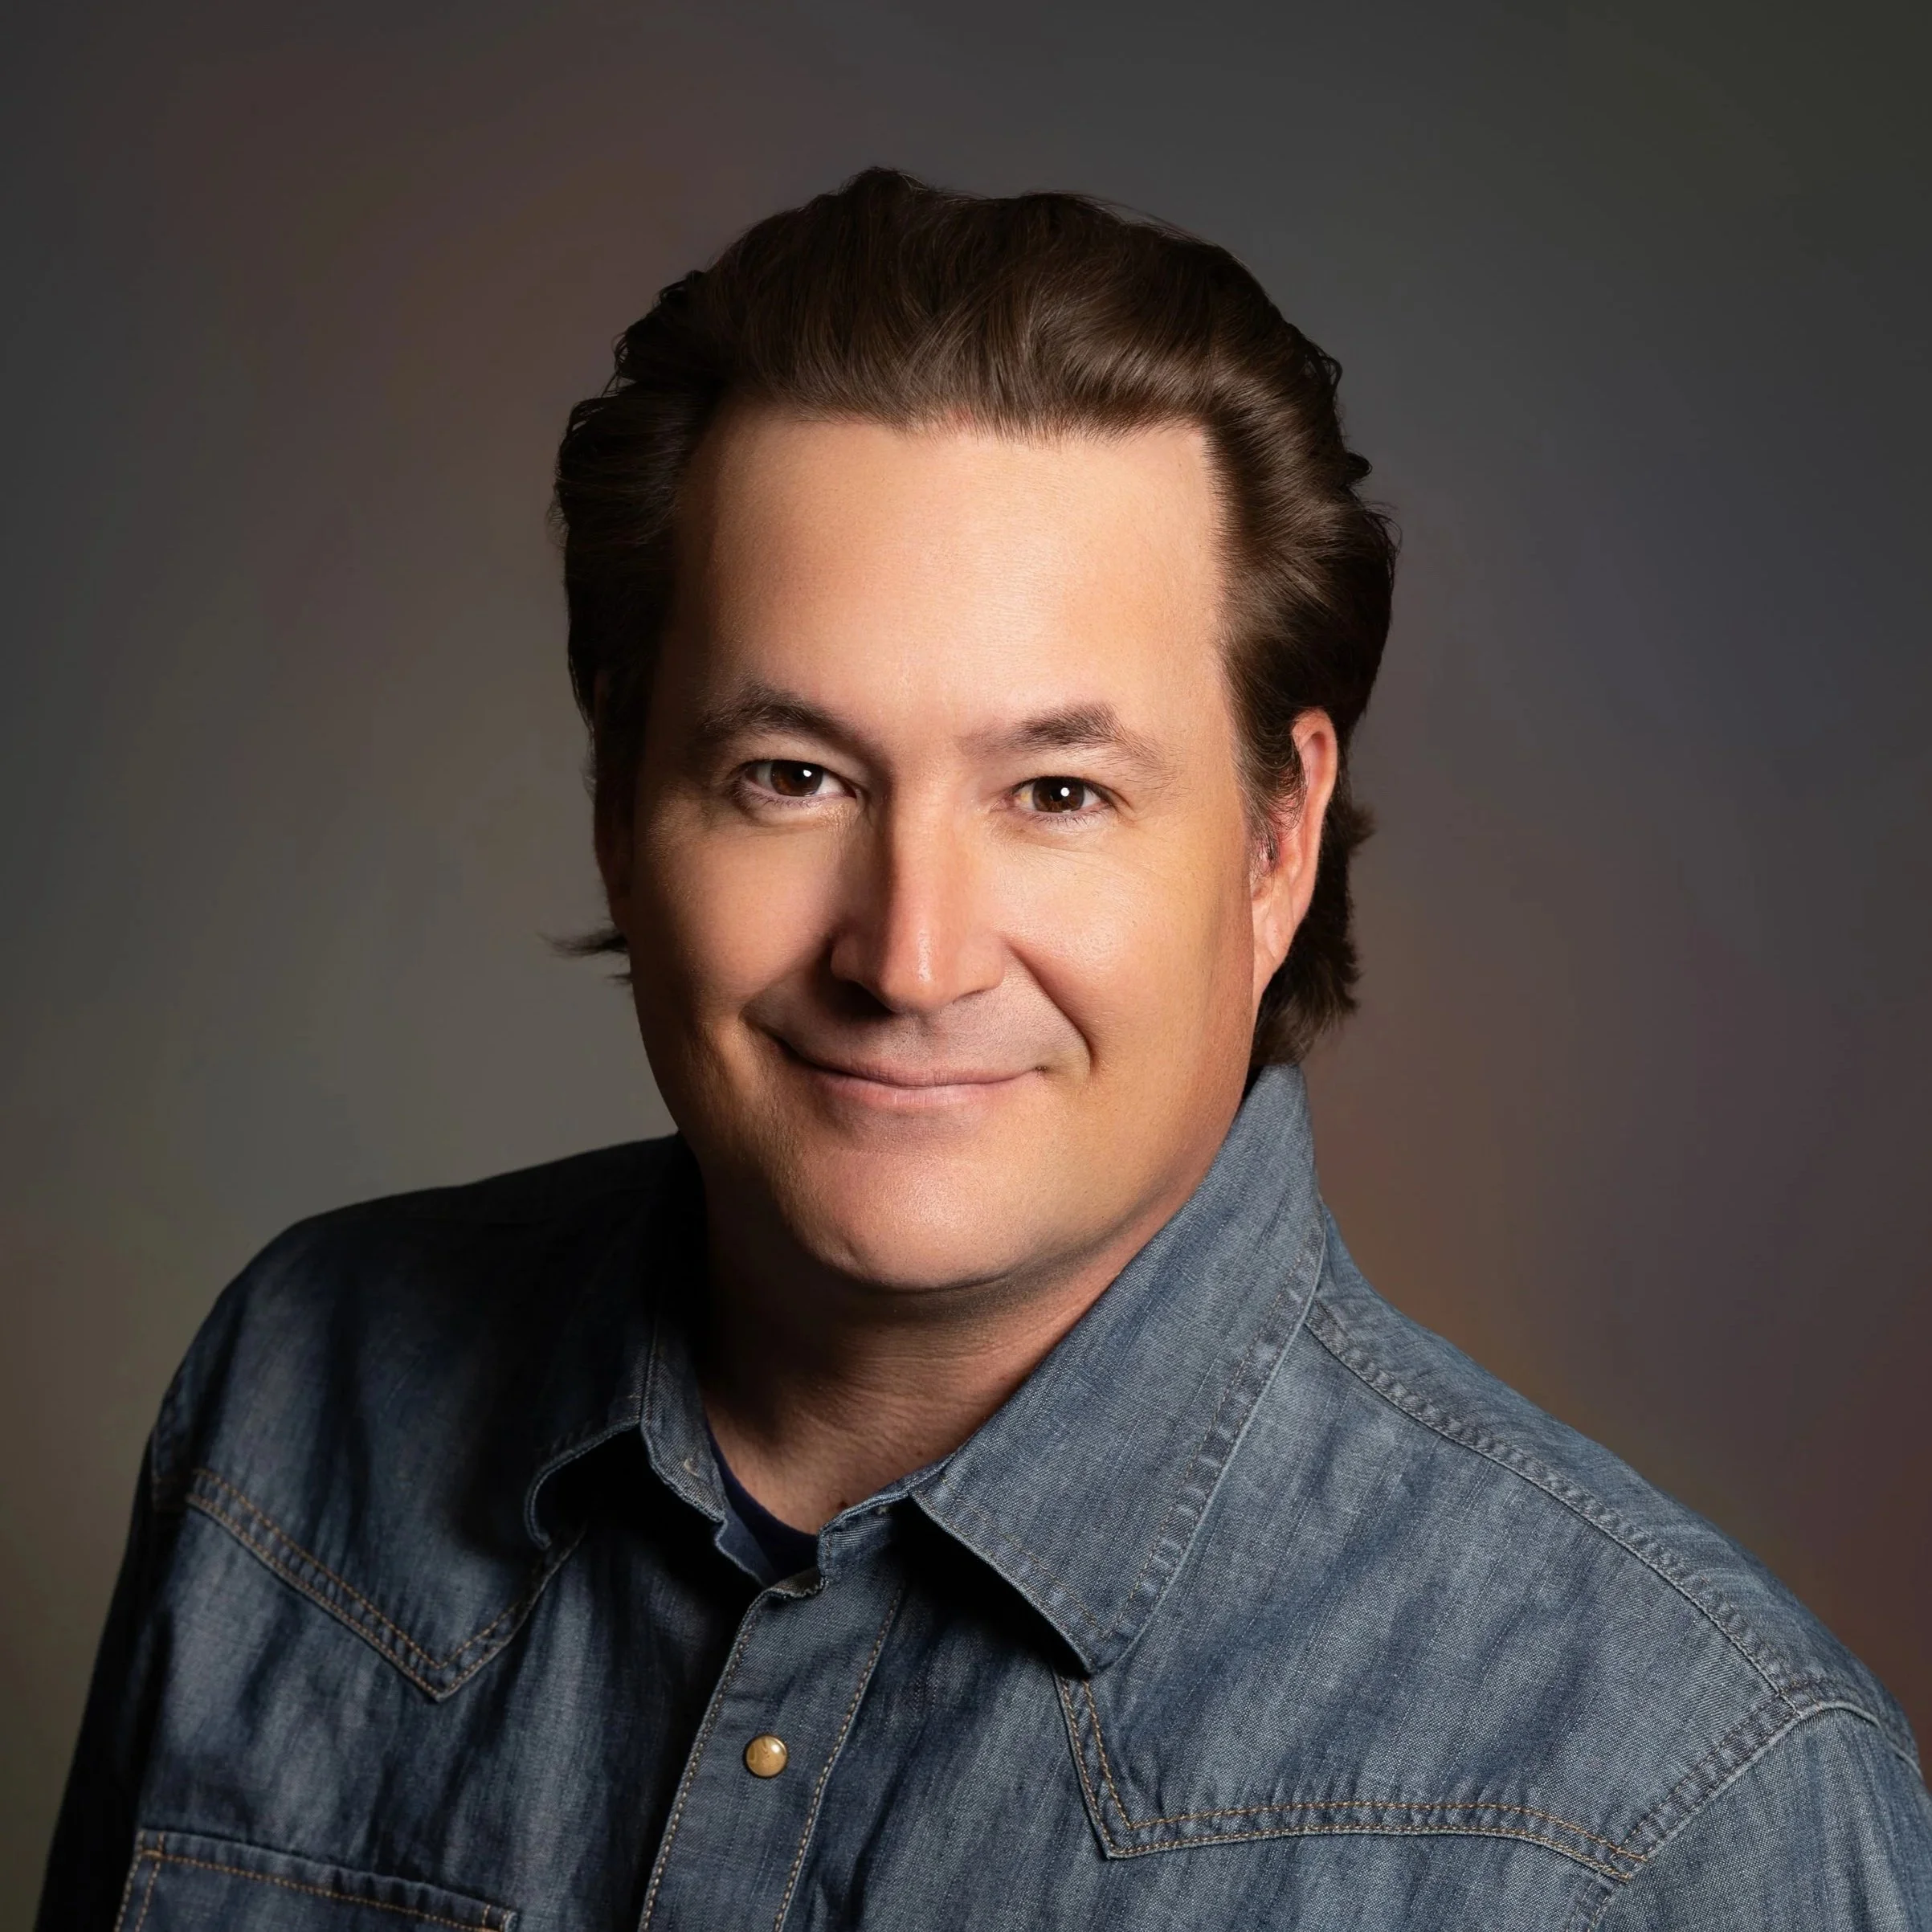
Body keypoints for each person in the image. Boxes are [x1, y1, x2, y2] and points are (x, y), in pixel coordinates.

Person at [39, 169, 1930, 1932]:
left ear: (1274, 842)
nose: (911, 953)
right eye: (790, 775)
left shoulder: (1672, 1798)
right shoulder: (294, 1402)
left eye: (1055, 788)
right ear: (620, 795)